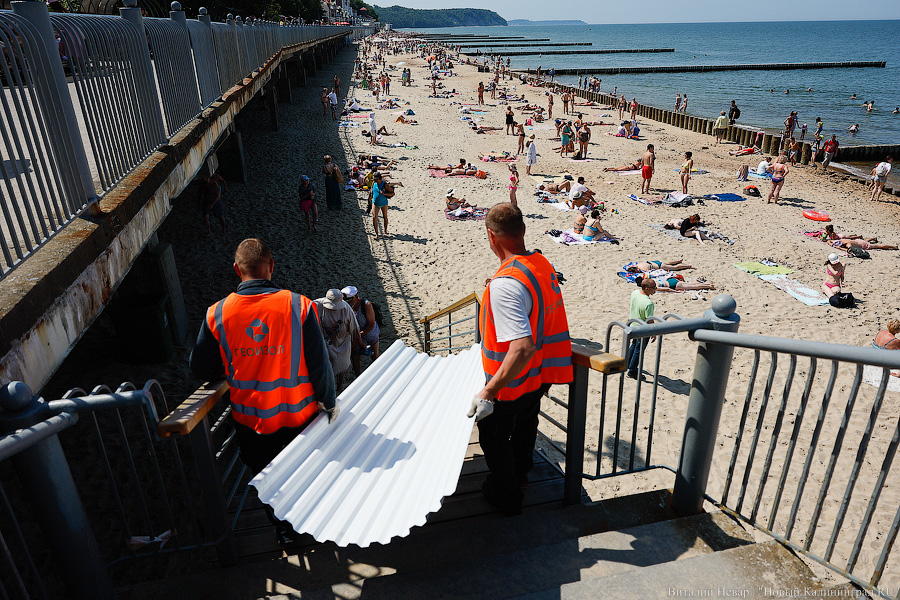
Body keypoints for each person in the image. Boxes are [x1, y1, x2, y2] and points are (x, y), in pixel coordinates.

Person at [189, 239, 337, 541]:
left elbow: (200, 367)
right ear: (271, 267)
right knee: (305, 475)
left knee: (268, 481)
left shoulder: (217, 314)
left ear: (236, 269)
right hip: (300, 418)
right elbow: (320, 365)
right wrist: (329, 403)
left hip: (252, 422)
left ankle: (285, 530)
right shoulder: (299, 306)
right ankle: (313, 523)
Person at [467, 203, 572, 516]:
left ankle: (508, 496)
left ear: (491, 236)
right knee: (527, 425)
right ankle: (523, 474)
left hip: (509, 386)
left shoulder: (505, 285)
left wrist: (489, 391)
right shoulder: (540, 263)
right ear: (523, 231)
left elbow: (522, 346)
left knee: (494, 439)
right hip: (538, 376)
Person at [313, 289, 361, 392]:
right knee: (324, 365)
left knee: (342, 364)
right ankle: (327, 386)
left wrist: (359, 342)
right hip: (324, 341)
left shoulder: (346, 309)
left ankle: (339, 385)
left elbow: (354, 329)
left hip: (342, 341)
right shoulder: (317, 305)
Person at [342, 286, 381, 375]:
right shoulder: (347, 306)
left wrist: (360, 334)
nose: (347, 303)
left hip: (370, 332)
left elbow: (371, 324)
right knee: (355, 356)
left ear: (356, 296)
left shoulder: (366, 305)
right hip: (356, 335)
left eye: (349, 300)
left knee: (375, 354)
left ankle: (378, 373)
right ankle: (358, 376)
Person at [626, 277, 656, 380]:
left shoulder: (635, 293)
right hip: (642, 329)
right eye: (653, 287)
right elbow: (650, 320)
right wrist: (654, 332)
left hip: (632, 325)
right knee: (639, 350)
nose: (655, 289)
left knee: (633, 345)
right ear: (647, 288)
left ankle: (628, 364)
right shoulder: (649, 303)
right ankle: (632, 371)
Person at [369, 172, 391, 239]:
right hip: (375, 203)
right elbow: (371, 190)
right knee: (374, 217)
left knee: (385, 217)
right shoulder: (374, 183)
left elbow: (392, 193)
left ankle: (385, 231)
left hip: (384, 203)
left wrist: (384, 193)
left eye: (375, 179)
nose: (374, 180)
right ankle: (376, 234)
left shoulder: (385, 185)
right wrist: (369, 198)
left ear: (379, 178)